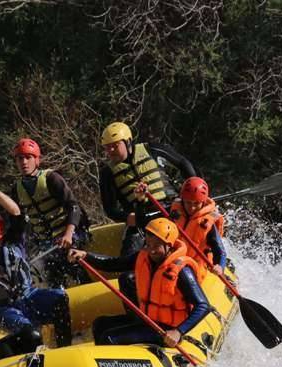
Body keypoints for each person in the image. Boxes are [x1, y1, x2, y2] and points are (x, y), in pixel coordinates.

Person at [67, 218, 210, 347]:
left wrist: (178, 332)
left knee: (109, 338)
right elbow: (114, 264)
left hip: (165, 330)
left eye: (157, 246)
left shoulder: (182, 272)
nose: (152, 250)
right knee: (100, 324)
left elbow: (203, 306)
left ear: (169, 246)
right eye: (148, 244)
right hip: (148, 320)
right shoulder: (145, 256)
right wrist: (86, 256)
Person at [0, 201, 73, 347]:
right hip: (3, 308)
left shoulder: (14, 240)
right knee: (31, 333)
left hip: (29, 295)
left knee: (60, 298)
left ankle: (65, 348)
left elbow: (15, 211)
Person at [98, 121, 198, 256]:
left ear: (128, 142)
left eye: (115, 146)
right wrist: (128, 217)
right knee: (130, 252)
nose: (110, 151)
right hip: (142, 219)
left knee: (197, 233)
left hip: (171, 208)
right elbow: (110, 210)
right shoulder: (107, 173)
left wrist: (193, 193)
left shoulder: (152, 149)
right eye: (107, 147)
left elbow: (183, 163)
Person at [2, 137, 90, 288]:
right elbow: (18, 225)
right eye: (20, 158)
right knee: (51, 275)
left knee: (74, 266)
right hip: (47, 244)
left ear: (37, 160)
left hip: (71, 235)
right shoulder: (17, 189)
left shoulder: (51, 178)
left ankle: (88, 287)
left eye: (28, 157)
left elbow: (73, 207)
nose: (24, 162)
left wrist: (68, 234)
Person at [165, 176, 227, 276]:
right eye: (188, 202)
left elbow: (220, 251)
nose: (192, 207)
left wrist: (220, 266)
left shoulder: (208, 223)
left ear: (203, 202)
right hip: (170, 259)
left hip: (193, 267)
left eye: (196, 203)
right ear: (182, 200)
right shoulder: (174, 209)